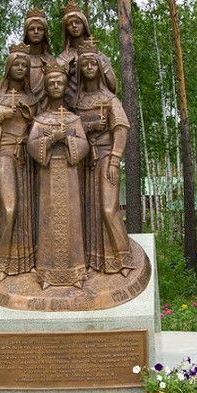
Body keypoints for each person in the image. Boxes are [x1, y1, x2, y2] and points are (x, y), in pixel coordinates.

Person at [0, 43, 37, 281]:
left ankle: (25, 261)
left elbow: (43, 127)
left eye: (24, 65)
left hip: (27, 157)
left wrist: (31, 118)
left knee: (26, 210)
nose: (20, 68)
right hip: (4, 154)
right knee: (9, 208)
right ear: (8, 68)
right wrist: (1, 115)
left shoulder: (32, 99)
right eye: (16, 64)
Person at [27, 62, 89, 289]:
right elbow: (31, 145)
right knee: (48, 219)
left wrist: (67, 139)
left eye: (59, 82)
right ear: (45, 86)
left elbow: (84, 145)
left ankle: (75, 273)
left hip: (70, 174)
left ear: (65, 86)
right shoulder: (40, 120)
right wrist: (52, 139)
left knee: (71, 219)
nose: (55, 86)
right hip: (47, 174)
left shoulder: (74, 119)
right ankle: (47, 272)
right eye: (51, 82)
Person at [74, 40, 134, 276]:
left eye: (93, 63)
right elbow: (71, 129)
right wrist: (88, 127)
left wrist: (115, 159)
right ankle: (95, 259)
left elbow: (121, 127)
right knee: (87, 210)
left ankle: (123, 258)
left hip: (106, 156)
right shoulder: (76, 102)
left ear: (99, 67)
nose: (89, 67)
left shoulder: (110, 99)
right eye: (84, 64)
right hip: (83, 161)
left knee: (109, 209)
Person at [57, 2, 116, 109]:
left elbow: (112, 85)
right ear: (66, 29)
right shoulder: (62, 58)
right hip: (70, 107)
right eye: (70, 24)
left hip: (98, 104)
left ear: (84, 25)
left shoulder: (99, 55)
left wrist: (102, 65)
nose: (74, 26)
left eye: (77, 22)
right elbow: (57, 88)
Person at [23, 8, 54, 99]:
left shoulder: (51, 61)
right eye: (32, 29)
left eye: (40, 29)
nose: (36, 32)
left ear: (45, 32)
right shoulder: (20, 60)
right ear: (26, 32)